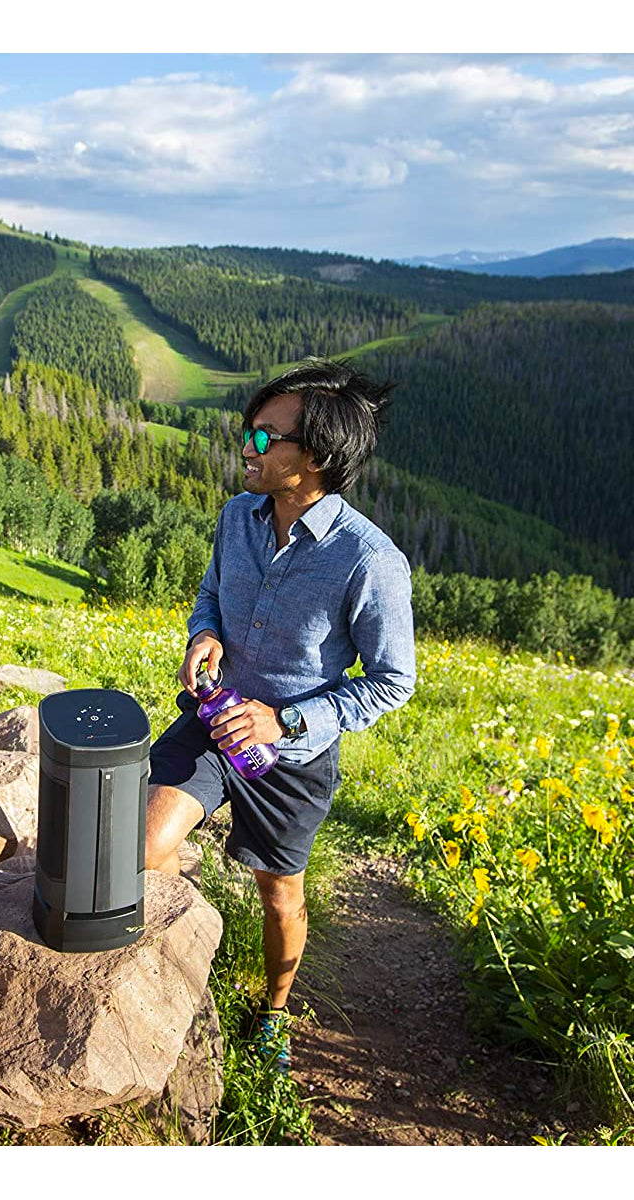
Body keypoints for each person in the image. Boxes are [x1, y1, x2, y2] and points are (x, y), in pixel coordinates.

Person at [144, 357, 416, 1072]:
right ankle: (174, 960)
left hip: (289, 757)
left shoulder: (369, 561)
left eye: (267, 438)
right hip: (212, 722)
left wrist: (284, 724)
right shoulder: (237, 516)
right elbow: (210, 593)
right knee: (142, 844)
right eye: (249, 432)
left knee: (280, 899)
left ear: (317, 457)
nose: (248, 447)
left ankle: (273, 1011)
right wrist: (203, 633)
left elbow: (392, 681)